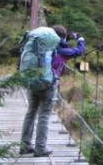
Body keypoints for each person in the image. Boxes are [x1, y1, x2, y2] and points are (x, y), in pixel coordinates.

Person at [20, 25, 85, 157]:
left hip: (32, 81)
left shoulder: (41, 46)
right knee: (44, 115)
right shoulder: (62, 50)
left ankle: (24, 146)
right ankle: (40, 148)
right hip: (49, 84)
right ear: (61, 38)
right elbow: (79, 51)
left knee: (31, 112)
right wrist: (80, 39)